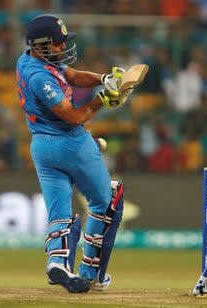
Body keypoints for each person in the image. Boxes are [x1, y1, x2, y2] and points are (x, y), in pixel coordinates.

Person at [15, 14, 130, 293]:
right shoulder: (39, 77)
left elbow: (74, 76)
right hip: (71, 143)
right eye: (57, 44)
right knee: (107, 200)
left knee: (60, 211)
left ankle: (57, 263)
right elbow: (74, 118)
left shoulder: (31, 60)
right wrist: (104, 98)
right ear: (41, 45)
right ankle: (92, 274)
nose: (62, 47)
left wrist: (103, 78)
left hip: (42, 148)